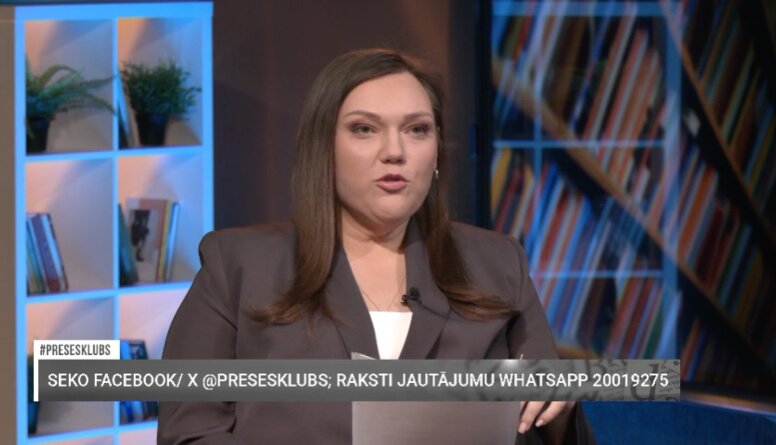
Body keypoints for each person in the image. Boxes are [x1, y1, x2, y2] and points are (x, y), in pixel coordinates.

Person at [158, 48, 594, 444]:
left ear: (436, 153)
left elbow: (548, 428)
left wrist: (559, 406)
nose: (394, 151)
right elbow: (190, 433)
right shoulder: (239, 266)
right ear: (323, 148)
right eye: (364, 129)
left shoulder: (497, 263)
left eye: (417, 129)